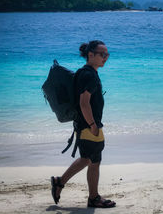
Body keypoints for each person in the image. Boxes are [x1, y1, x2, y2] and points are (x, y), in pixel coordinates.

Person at [51, 40, 116, 208]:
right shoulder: (88, 75)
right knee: (88, 159)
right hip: (89, 125)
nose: (105, 58)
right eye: (102, 54)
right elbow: (84, 103)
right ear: (91, 55)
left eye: (107, 54)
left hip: (87, 124)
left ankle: (93, 197)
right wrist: (93, 125)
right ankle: (61, 182)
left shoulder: (85, 72)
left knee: (93, 160)